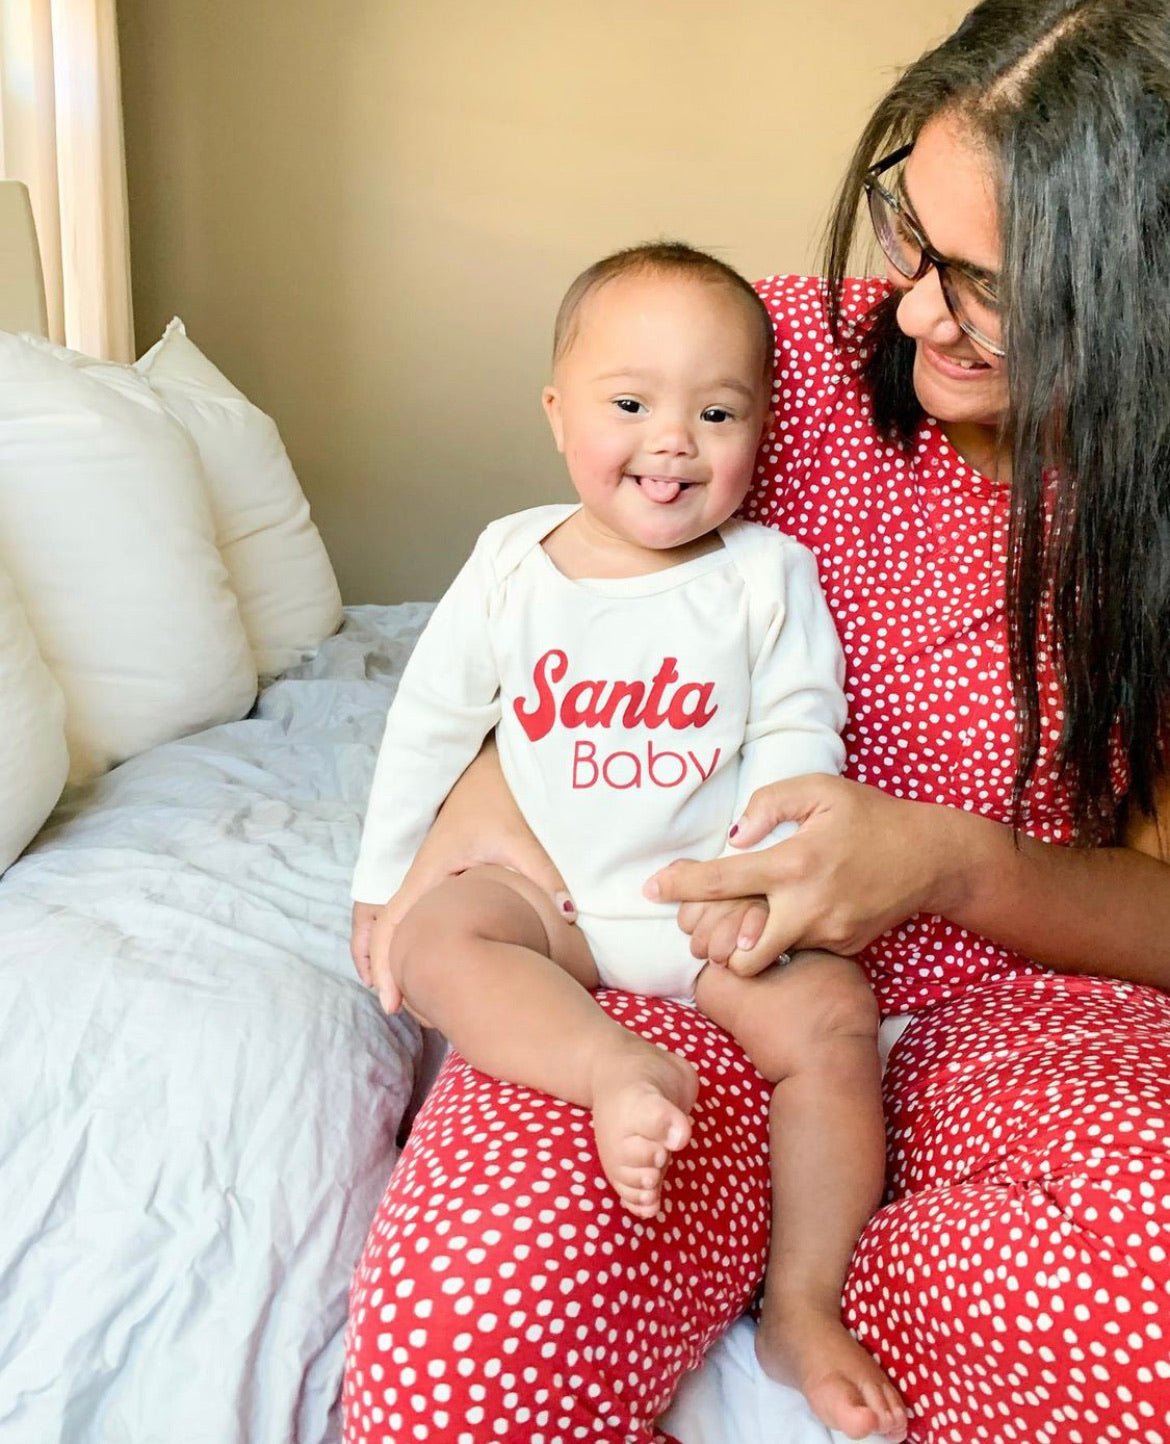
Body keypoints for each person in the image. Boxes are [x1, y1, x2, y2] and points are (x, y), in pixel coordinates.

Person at [343, 3, 1170, 1442]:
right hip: (683, 970)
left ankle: (833, 1285)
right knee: (469, 1338)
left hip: (1026, 1021)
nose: (911, 311)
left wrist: (949, 864)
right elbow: (568, 601)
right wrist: (491, 781)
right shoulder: (773, 357)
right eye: (910, 236)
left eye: (983, 285)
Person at [350, 240, 908, 1442]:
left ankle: (804, 1300)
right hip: (556, 902)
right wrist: (382, 884)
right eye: (631, 404)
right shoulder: (512, 563)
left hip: (703, 912)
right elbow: (430, 725)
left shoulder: (766, 573)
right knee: (435, 942)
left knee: (834, 1020)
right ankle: (606, 1068)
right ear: (558, 414)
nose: (674, 441)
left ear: (760, 431)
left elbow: (800, 733)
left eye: (717, 413)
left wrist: (755, 873)